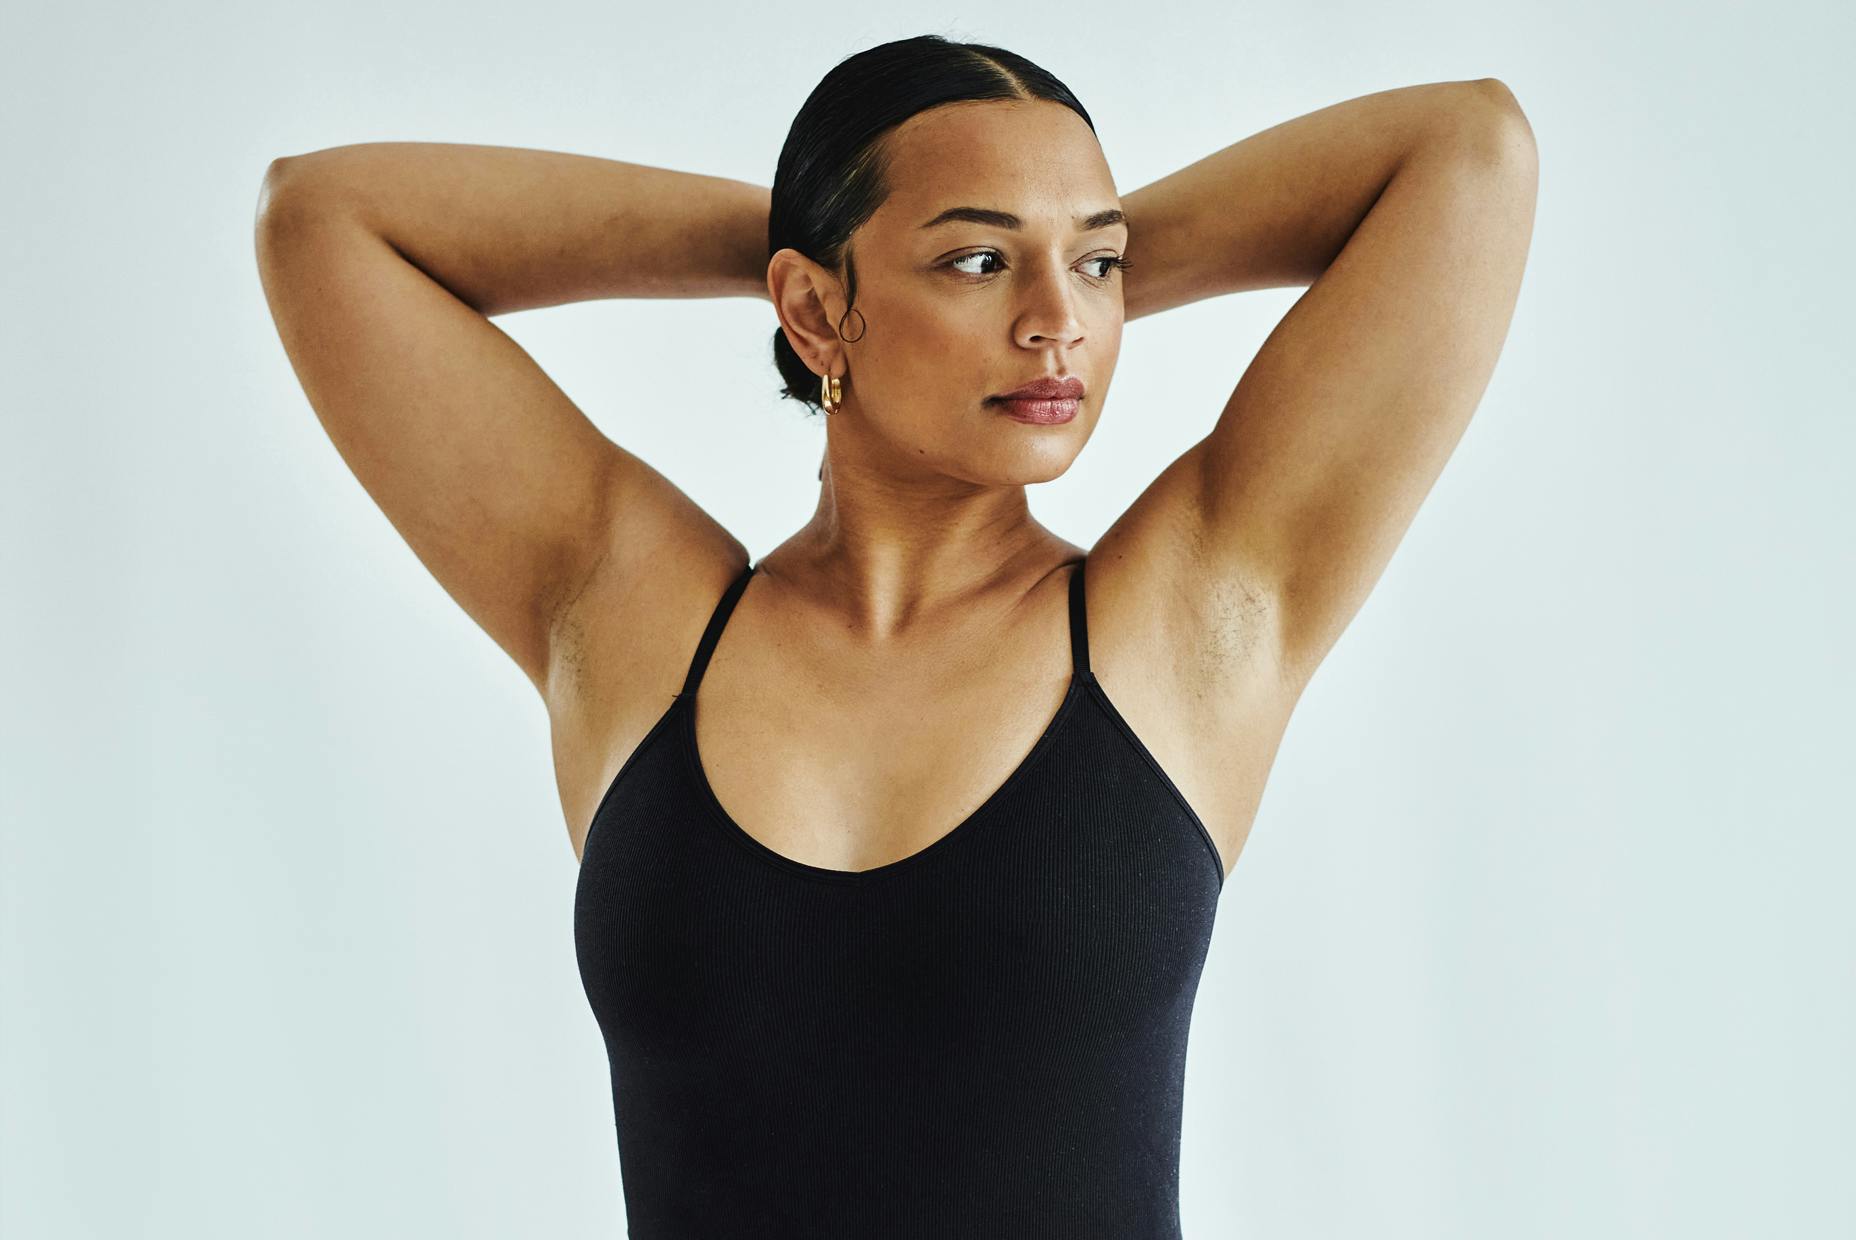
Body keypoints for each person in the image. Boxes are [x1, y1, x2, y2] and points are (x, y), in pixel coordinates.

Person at [254, 32, 1535, 1240]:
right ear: (812, 312)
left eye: (1097, 265)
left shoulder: (1188, 614)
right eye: (977, 262)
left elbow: (1468, 151)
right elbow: (322, 218)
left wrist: (1008, 261)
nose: (1057, 322)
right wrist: (804, 252)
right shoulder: (635, 616)